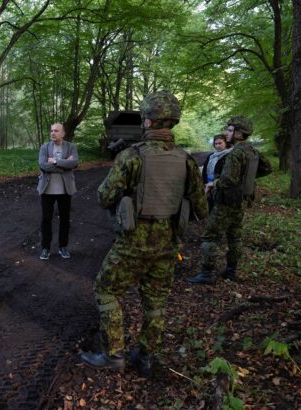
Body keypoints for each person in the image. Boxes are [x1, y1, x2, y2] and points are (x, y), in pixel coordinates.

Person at [79, 91, 207, 375]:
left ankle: (113, 355)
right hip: (167, 245)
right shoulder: (186, 161)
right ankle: (146, 356)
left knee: (106, 290)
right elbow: (202, 208)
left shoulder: (131, 156)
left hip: (132, 244)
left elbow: (104, 196)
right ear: (172, 122)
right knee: (156, 301)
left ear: (148, 122)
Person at [186, 116, 272, 284]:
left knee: (210, 236)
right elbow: (267, 168)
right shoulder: (252, 151)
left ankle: (206, 274)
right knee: (235, 237)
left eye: (230, 130)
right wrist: (246, 179)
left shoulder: (235, 154)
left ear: (239, 134)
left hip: (227, 201)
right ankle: (231, 270)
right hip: (242, 201)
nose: (227, 133)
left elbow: (227, 180)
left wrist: (213, 183)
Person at [37, 123, 79, 260]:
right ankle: (45, 248)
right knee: (46, 220)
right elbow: (43, 165)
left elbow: (74, 163)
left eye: (56, 131)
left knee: (65, 220)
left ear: (63, 133)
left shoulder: (71, 147)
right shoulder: (44, 147)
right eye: (51, 131)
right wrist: (63, 164)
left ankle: (63, 247)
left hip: (65, 190)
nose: (53, 133)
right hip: (47, 190)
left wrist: (54, 161)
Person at [202, 134, 232, 212]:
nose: (218, 146)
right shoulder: (211, 156)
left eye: (220, 143)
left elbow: (228, 174)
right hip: (208, 185)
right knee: (210, 206)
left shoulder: (229, 156)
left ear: (226, 143)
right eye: (216, 144)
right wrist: (205, 183)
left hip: (221, 187)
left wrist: (215, 183)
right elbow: (204, 170)